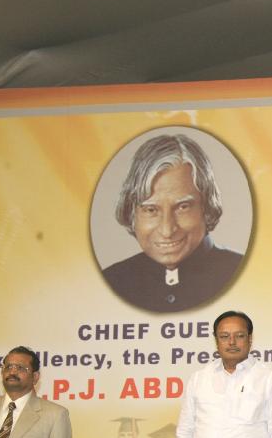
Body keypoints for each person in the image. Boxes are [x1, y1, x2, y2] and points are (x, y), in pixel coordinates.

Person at [101, 133, 244, 312]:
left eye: (182, 207)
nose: (167, 230)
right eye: (151, 210)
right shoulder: (110, 281)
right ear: (132, 214)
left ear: (206, 207)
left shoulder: (243, 272)